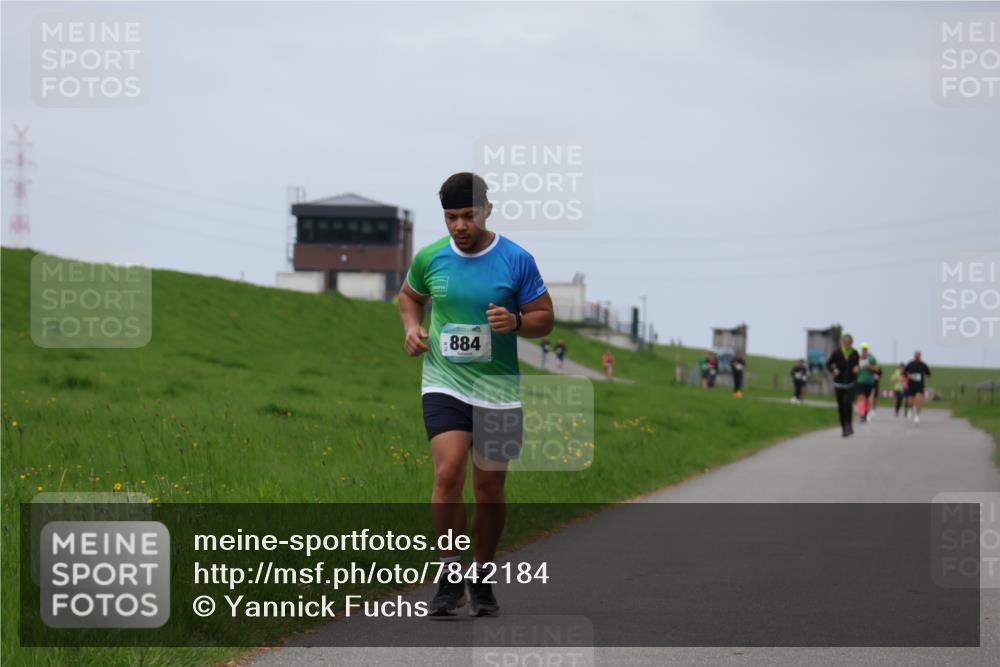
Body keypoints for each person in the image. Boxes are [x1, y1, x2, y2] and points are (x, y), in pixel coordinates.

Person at [398, 172, 554, 616]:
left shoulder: (516, 259)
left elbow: (544, 318)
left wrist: (517, 322)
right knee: (447, 474)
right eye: (451, 217)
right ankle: (450, 575)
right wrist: (411, 326)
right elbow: (409, 297)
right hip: (444, 382)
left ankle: (481, 577)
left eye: (469, 215)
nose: (460, 226)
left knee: (489, 489)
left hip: (498, 390)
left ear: (487, 210)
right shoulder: (430, 257)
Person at [826, 333, 860, 438]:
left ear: (851, 343)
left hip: (850, 383)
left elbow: (857, 364)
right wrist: (833, 370)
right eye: (844, 342)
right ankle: (844, 428)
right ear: (842, 342)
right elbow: (828, 364)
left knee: (847, 403)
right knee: (841, 406)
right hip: (839, 384)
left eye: (848, 342)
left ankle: (849, 423)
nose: (846, 344)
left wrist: (857, 368)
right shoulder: (837, 353)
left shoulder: (854, 353)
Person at [904, 351, 932, 425]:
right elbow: (904, 373)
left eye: (918, 355)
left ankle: (917, 416)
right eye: (916, 355)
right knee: (909, 401)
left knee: (918, 401)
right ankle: (909, 409)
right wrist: (908, 376)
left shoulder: (923, 365)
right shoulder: (910, 364)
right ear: (914, 356)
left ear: (920, 356)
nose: (917, 357)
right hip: (911, 386)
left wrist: (925, 376)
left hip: (920, 386)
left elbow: (929, 374)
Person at [855, 343, 879, 423]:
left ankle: (865, 413)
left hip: (870, 381)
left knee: (868, 399)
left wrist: (868, 366)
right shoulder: (858, 358)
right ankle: (861, 414)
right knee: (861, 397)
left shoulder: (871, 358)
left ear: (867, 349)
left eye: (865, 349)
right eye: (863, 349)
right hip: (860, 381)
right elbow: (856, 369)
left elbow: (877, 369)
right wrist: (857, 369)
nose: (864, 350)